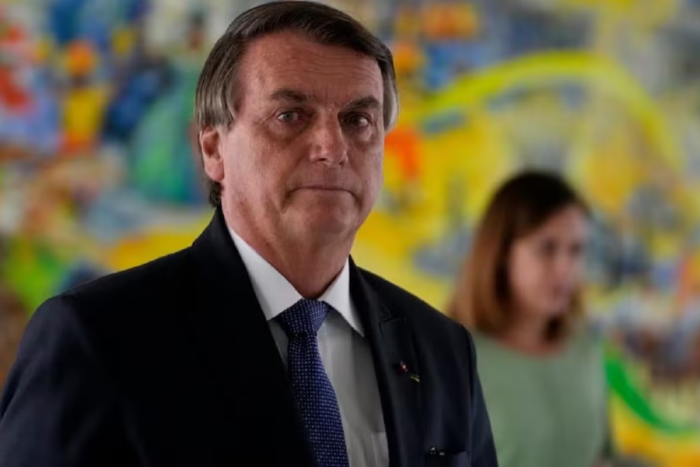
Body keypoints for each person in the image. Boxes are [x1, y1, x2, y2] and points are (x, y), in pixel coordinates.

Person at [0, 3, 497, 467]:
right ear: (213, 150)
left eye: (358, 120)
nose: (332, 146)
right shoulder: (97, 338)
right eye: (290, 116)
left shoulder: (441, 348)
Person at [448, 170, 613, 467]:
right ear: (501, 254)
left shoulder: (585, 347)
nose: (564, 269)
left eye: (575, 251)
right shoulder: (456, 362)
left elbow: (601, 455)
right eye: (546, 248)